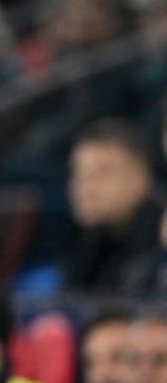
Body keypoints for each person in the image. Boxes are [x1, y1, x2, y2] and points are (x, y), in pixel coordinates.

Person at [64, 120, 162, 292]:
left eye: (102, 173)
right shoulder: (88, 242)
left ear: (141, 179)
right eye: (78, 174)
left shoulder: (159, 246)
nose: (85, 187)